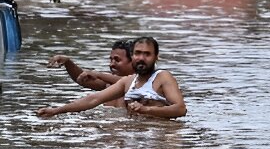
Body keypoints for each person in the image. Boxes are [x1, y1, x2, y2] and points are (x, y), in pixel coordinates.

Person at [37, 36, 187, 119]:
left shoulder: (163, 77)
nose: (141, 58)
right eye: (137, 53)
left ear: (156, 57)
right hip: (135, 140)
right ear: (133, 56)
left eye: (147, 54)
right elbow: (93, 99)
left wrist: (146, 110)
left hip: (159, 139)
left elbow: (180, 109)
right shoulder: (127, 82)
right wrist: (56, 110)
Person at [47, 38, 134, 91]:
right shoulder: (108, 84)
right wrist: (68, 62)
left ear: (133, 61)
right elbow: (82, 78)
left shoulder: (142, 84)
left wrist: (98, 74)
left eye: (117, 60)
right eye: (110, 60)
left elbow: (130, 82)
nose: (111, 64)